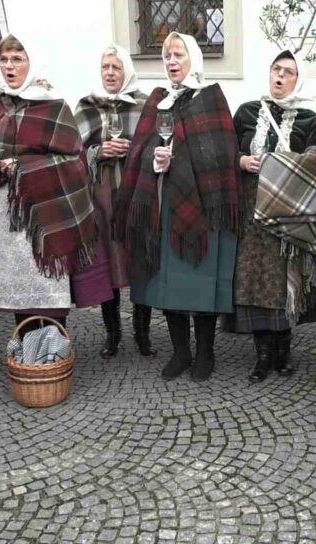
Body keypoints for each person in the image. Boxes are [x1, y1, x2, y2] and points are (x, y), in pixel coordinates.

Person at [0, 35, 111, 336]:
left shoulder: (53, 106)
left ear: (32, 63)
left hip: (45, 217)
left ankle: (54, 354)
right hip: (5, 218)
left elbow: (74, 161)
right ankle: (28, 354)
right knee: (21, 294)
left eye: (17, 59)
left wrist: (22, 168)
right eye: (4, 59)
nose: (9, 66)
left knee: (49, 292)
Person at [115, 32, 241, 382]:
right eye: (167, 56)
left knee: (202, 279)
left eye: (178, 55)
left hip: (204, 206)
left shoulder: (210, 98)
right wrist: (155, 160)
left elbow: (221, 154)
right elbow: (141, 150)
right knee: (167, 281)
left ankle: (205, 352)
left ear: (194, 59)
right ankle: (181, 352)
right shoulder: (158, 101)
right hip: (163, 205)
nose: (171, 62)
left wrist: (180, 158)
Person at [230, 50, 316, 383]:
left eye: (288, 72)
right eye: (276, 69)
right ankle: (262, 353)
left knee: (283, 282)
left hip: (290, 214)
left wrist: (287, 164)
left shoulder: (309, 119)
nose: (280, 76)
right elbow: (227, 152)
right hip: (252, 214)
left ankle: (283, 348)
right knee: (255, 283)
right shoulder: (246, 112)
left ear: (298, 78)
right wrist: (241, 161)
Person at [75, 45, 154, 359]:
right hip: (101, 196)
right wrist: (98, 152)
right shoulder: (86, 106)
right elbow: (71, 153)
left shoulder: (145, 105)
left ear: (127, 71)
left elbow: (158, 146)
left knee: (139, 261)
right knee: (108, 261)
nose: (110, 73)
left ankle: (142, 332)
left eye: (116, 67)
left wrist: (133, 150)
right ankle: (112, 332)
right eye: (105, 66)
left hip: (136, 194)